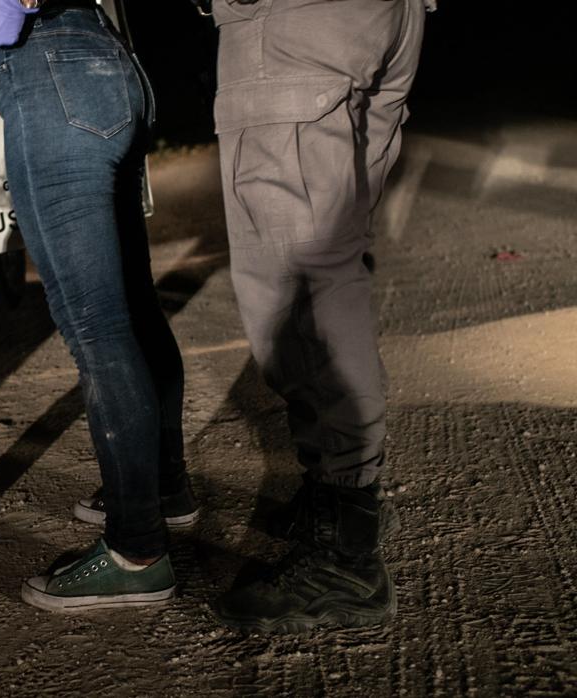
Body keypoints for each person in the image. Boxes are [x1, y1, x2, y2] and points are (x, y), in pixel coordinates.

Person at [0, 0, 197, 611]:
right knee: (132, 311)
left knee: (96, 325)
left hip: (49, 68)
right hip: (107, 63)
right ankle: (163, 489)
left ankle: (136, 551)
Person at [207, 0, 432, 632]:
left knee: (298, 285)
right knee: (331, 263)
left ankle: (346, 553)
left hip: (299, 27)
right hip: (373, 21)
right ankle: (337, 501)